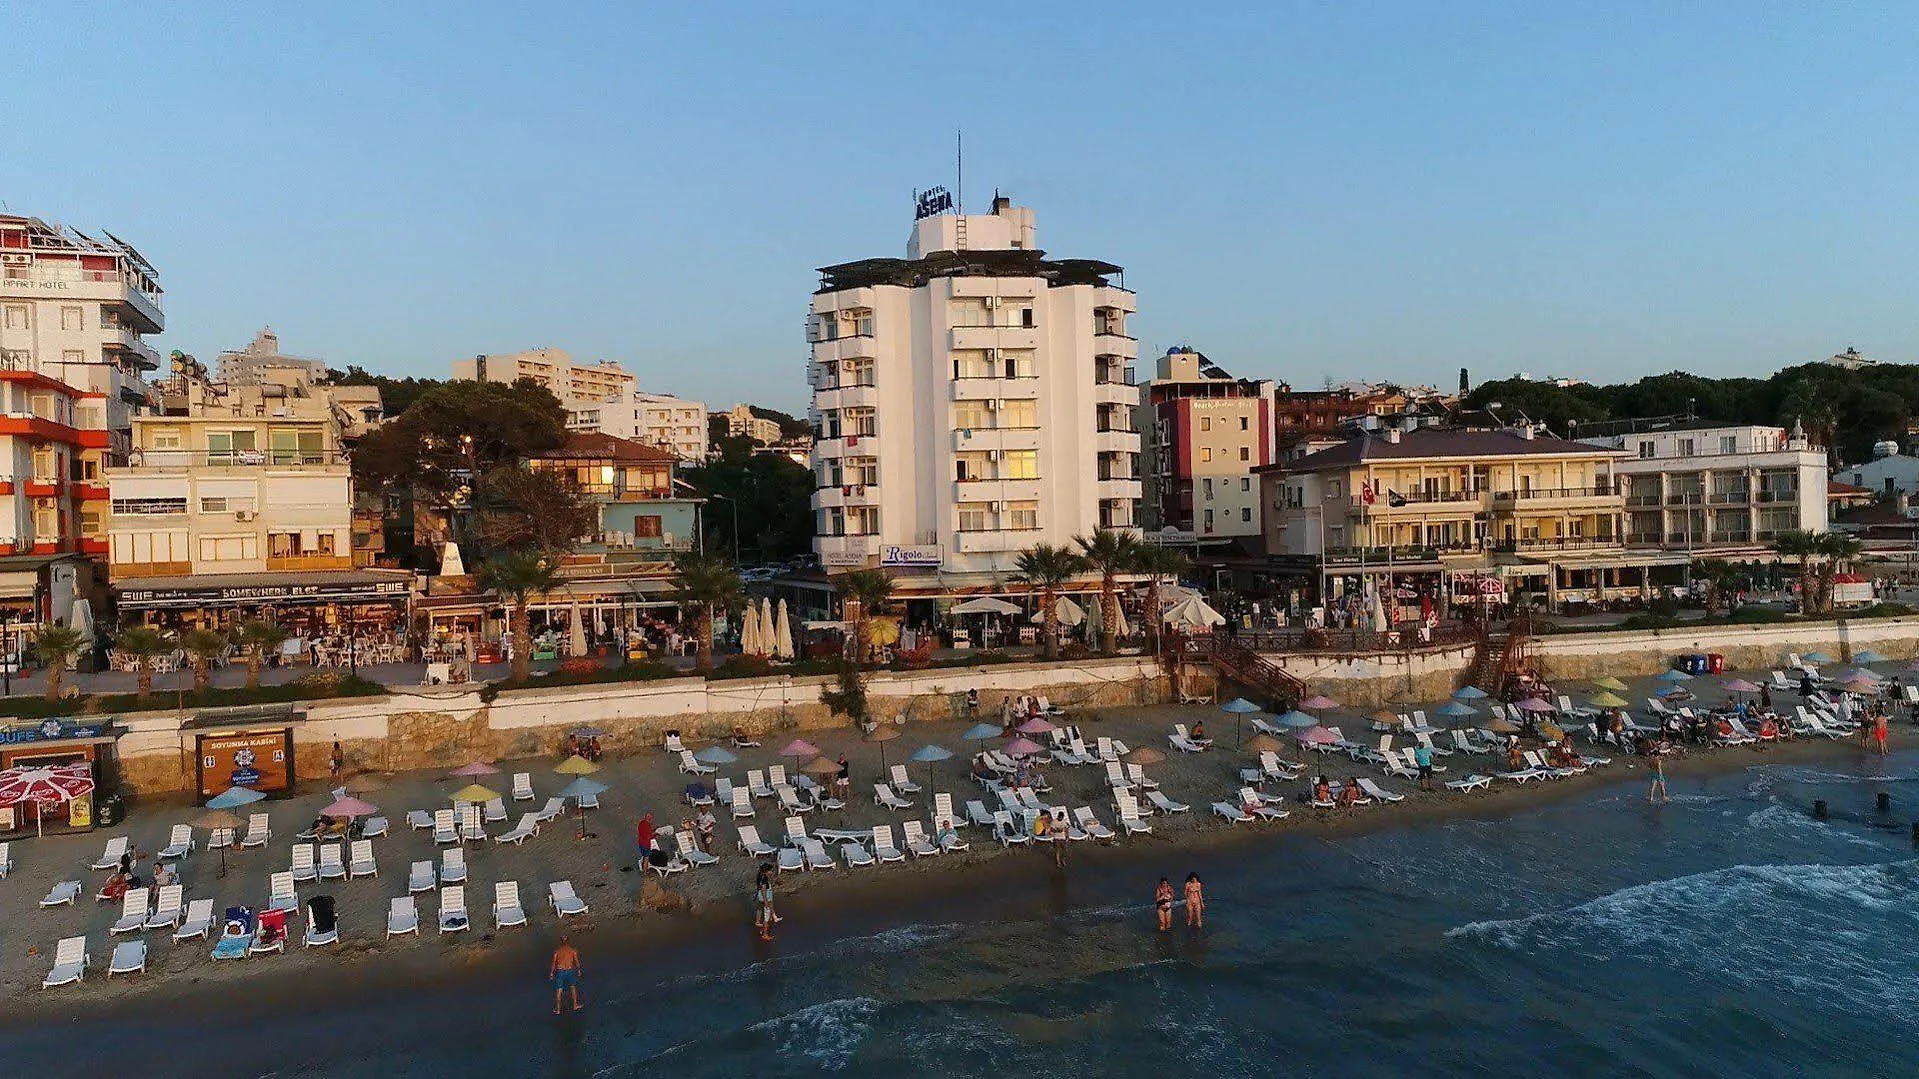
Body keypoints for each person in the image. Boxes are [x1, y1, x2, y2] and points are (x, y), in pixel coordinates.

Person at [550, 935, 583, 1014]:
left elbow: (554, 963)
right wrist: (579, 970)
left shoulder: (557, 951)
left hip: (560, 971)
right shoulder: (573, 950)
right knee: (573, 988)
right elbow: (576, 961)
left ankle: (558, 1009)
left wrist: (551, 973)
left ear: (561, 942)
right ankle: (575, 1005)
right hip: (570, 970)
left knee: (559, 990)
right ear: (568, 941)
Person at [754, 864, 776, 942]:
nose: (771, 872)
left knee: (762, 913)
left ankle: (762, 930)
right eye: (770, 870)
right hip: (764, 899)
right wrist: (766, 902)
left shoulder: (760, 876)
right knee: (767, 918)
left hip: (760, 898)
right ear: (766, 871)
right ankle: (765, 934)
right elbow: (763, 891)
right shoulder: (764, 880)